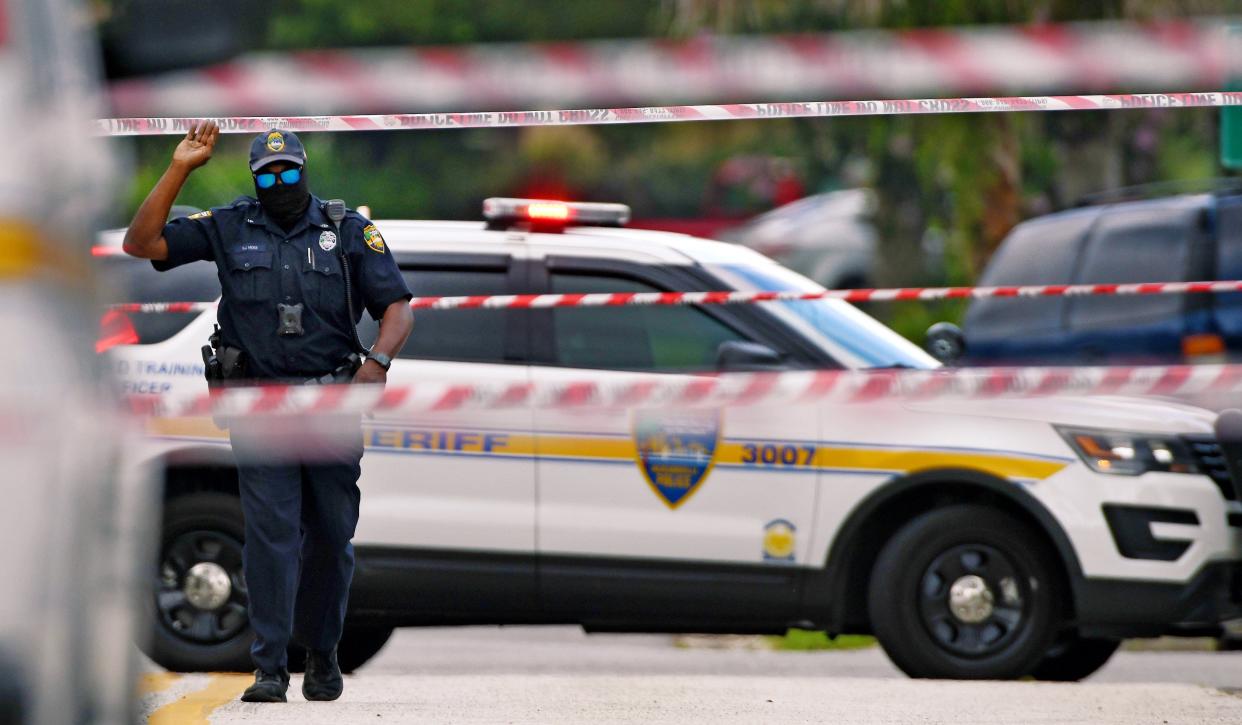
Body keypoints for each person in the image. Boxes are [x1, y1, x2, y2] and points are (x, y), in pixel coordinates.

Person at [122, 121, 414, 703]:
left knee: (331, 536)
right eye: (268, 174)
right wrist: (180, 167)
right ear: (256, 179)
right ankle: (271, 667)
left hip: (330, 404)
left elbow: (398, 307)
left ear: (305, 171)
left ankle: (324, 652)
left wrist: (376, 363)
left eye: (289, 172)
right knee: (270, 536)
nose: (280, 182)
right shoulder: (229, 227)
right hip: (259, 404)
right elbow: (141, 244)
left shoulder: (346, 229)